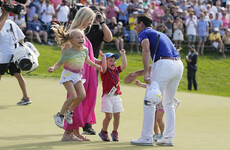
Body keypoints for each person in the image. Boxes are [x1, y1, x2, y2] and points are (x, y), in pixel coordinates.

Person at [124, 13, 183, 146]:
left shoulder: (144, 33)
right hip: (178, 65)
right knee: (168, 103)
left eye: (135, 24)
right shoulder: (160, 34)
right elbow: (160, 64)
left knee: (149, 101)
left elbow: (146, 50)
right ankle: (168, 139)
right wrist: (137, 73)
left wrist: (145, 74)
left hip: (165, 65)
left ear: (142, 24)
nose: (134, 27)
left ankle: (146, 138)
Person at [48, 26, 102, 129]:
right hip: (68, 75)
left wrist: (96, 66)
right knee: (73, 96)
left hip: (77, 76)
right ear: (71, 41)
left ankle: (69, 111)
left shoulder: (85, 50)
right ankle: (60, 115)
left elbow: (87, 60)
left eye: (82, 37)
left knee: (82, 95)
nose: (81, 39)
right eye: (78, 37)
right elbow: (59, 63)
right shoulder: (68, 52)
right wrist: (53, 68)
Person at [61, 7, 100, 141]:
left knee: (83, 100)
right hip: (77, 73)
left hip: (88, 72)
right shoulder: (73, 33)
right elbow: (65, 53)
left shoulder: (81, 34)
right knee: (76, 99)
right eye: (89, 19)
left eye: (92, 20)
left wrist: (101, 61)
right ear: (83, 17)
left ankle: (75, 131)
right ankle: (67, 133)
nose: (91, 23)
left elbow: (86, 56)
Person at [83, 5, 113, 134]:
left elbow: (109, 38)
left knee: (90, 95)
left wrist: (102, 21)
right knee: (78, 95)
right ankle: (73, 122)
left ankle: (87, 123)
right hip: (80, 65)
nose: (94, 17)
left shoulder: (99, 29)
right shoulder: (82, 28)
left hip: (93, 66)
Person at [0, 7, 31, 106]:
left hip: (2, 56)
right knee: (18, 75)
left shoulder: (5, 23)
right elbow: (21, 38)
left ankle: (26, 98)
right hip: (14, 55)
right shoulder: (11, 23)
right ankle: (26, 97)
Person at [98, 50, 127, 142]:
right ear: (105, 62)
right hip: (107, 97)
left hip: (116, 96)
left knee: (117, 116)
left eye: (114, 61)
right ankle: (104, 132)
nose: (113, 62)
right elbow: (103, 67)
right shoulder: (104, 71)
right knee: (109, 116)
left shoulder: (117, 70)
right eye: (110, 60)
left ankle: (115, 132)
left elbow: (124, 65)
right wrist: (103, 57)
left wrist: (123, 54)